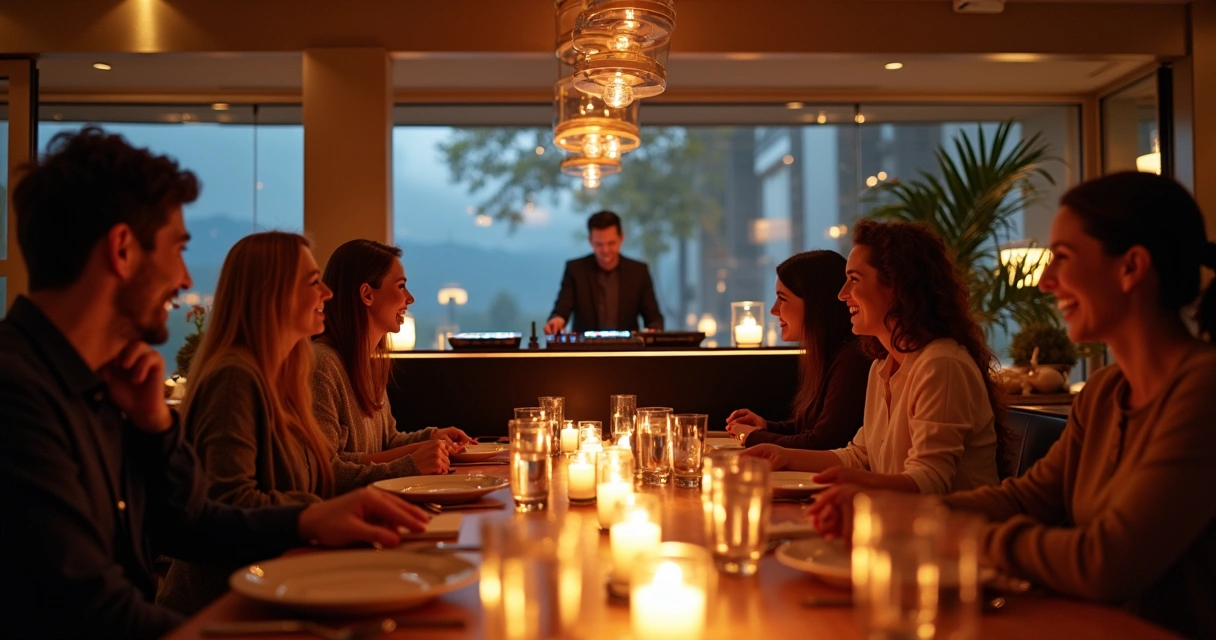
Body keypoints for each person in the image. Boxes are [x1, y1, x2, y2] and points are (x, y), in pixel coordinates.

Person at [0, 127, 428, 639]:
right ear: (121, 250)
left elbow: (190, 522)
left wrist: (156, 429)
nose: (185, 278)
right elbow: (87, 608)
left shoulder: (96, 383)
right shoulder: (17, 394)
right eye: (178, 248)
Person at [942, 173, 1216, 638]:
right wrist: (904, 514)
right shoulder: (1106, 392)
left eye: (1062, 259)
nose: (1047, 281)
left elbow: (1106, 563)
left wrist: (953, 535)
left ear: (1131, 268)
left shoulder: (1204, 388)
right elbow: (1028, 499)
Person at [744, 220, 1007, 510]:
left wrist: (852, 484)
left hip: (955, 539)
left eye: (854, 279)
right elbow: (860, 455)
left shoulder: (940, 363)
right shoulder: (882, 365)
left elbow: (931, 481)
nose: (842, 294)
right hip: (901, 526)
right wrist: (782, 454)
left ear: (896, 286)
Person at [312, 239, 473, 478]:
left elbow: (387, 442)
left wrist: (432, 438)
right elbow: (327, 471)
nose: (410, 298)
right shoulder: (322, 366)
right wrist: (412, 462)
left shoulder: (367, 362)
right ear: (367, 294)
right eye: (401, 287)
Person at [724, 250, 871, 449]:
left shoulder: (854, 359)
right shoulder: (832, 352)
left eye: (782, 298)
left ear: (816, 304)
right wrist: (766, 426)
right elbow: (812, 427)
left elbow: (824, 442)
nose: (774, 310)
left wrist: (752, 437)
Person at [544, 210, 663, 334]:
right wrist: (557, 320)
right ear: (590, 241)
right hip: (586, 350)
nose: (605, 250)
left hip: (627, 350)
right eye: (599, 244)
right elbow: (562, 308)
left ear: (621, 238)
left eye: (611, 243)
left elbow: (653, 317)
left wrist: (653, 330)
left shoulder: (638, 272)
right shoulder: (576, 270)